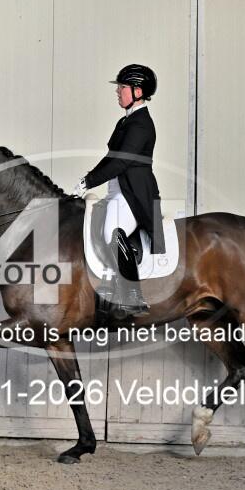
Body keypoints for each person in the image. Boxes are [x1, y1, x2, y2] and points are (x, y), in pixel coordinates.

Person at [73, 64, 166, 317]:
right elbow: (110, 158)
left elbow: (121, 163)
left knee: (111, 231)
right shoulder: (126, 121)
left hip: (133, 193)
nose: (118, 91)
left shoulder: (141, 124)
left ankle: (132, 294)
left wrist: (89, 182)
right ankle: (107, 280)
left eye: (122, 87)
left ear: (138, 91)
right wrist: (86, 179)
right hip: (118, 190)